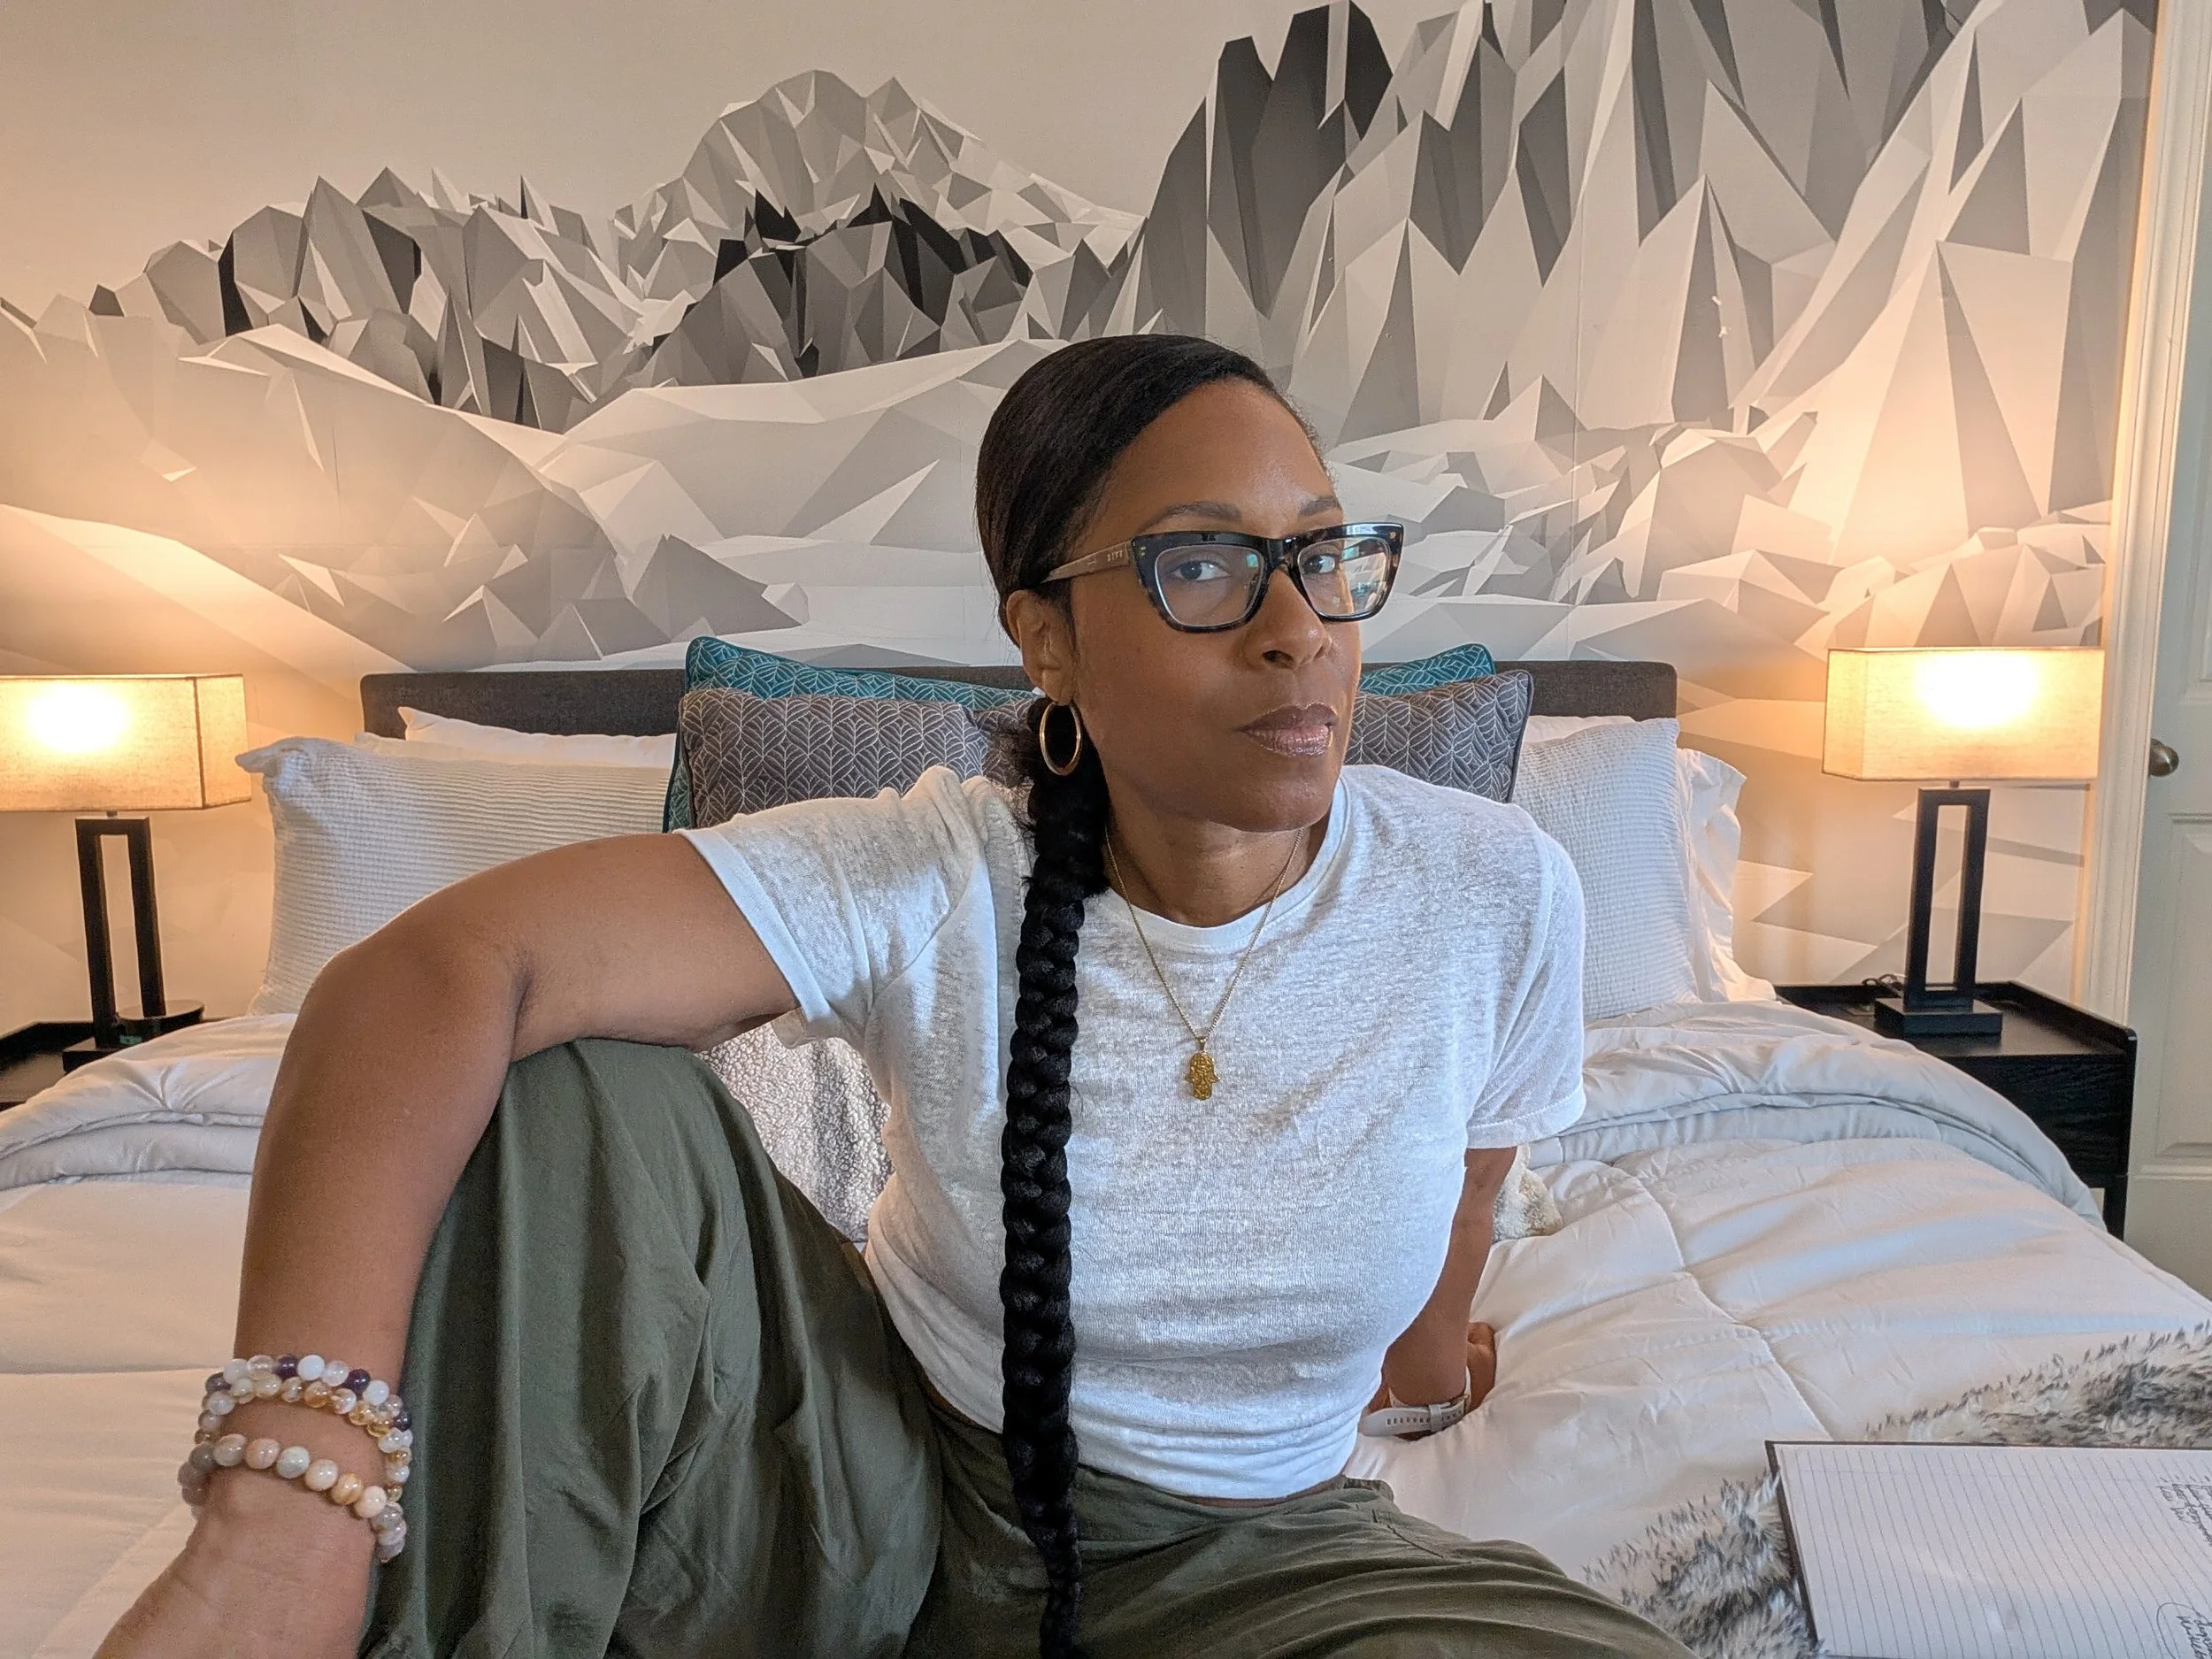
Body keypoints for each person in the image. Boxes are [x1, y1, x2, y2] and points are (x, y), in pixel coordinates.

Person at [97, 335, 1693, 1659]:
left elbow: (1439, 1295)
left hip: (1267, 1563)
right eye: (1202, 563)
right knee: (567, 1079)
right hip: (864, 1496)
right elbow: (434, 970)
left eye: (1326, 556)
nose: (1299, 631)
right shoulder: (937, 874)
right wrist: (286, 1502)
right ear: (1045, 639)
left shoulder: (1494, 889)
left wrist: (1432, 1369)